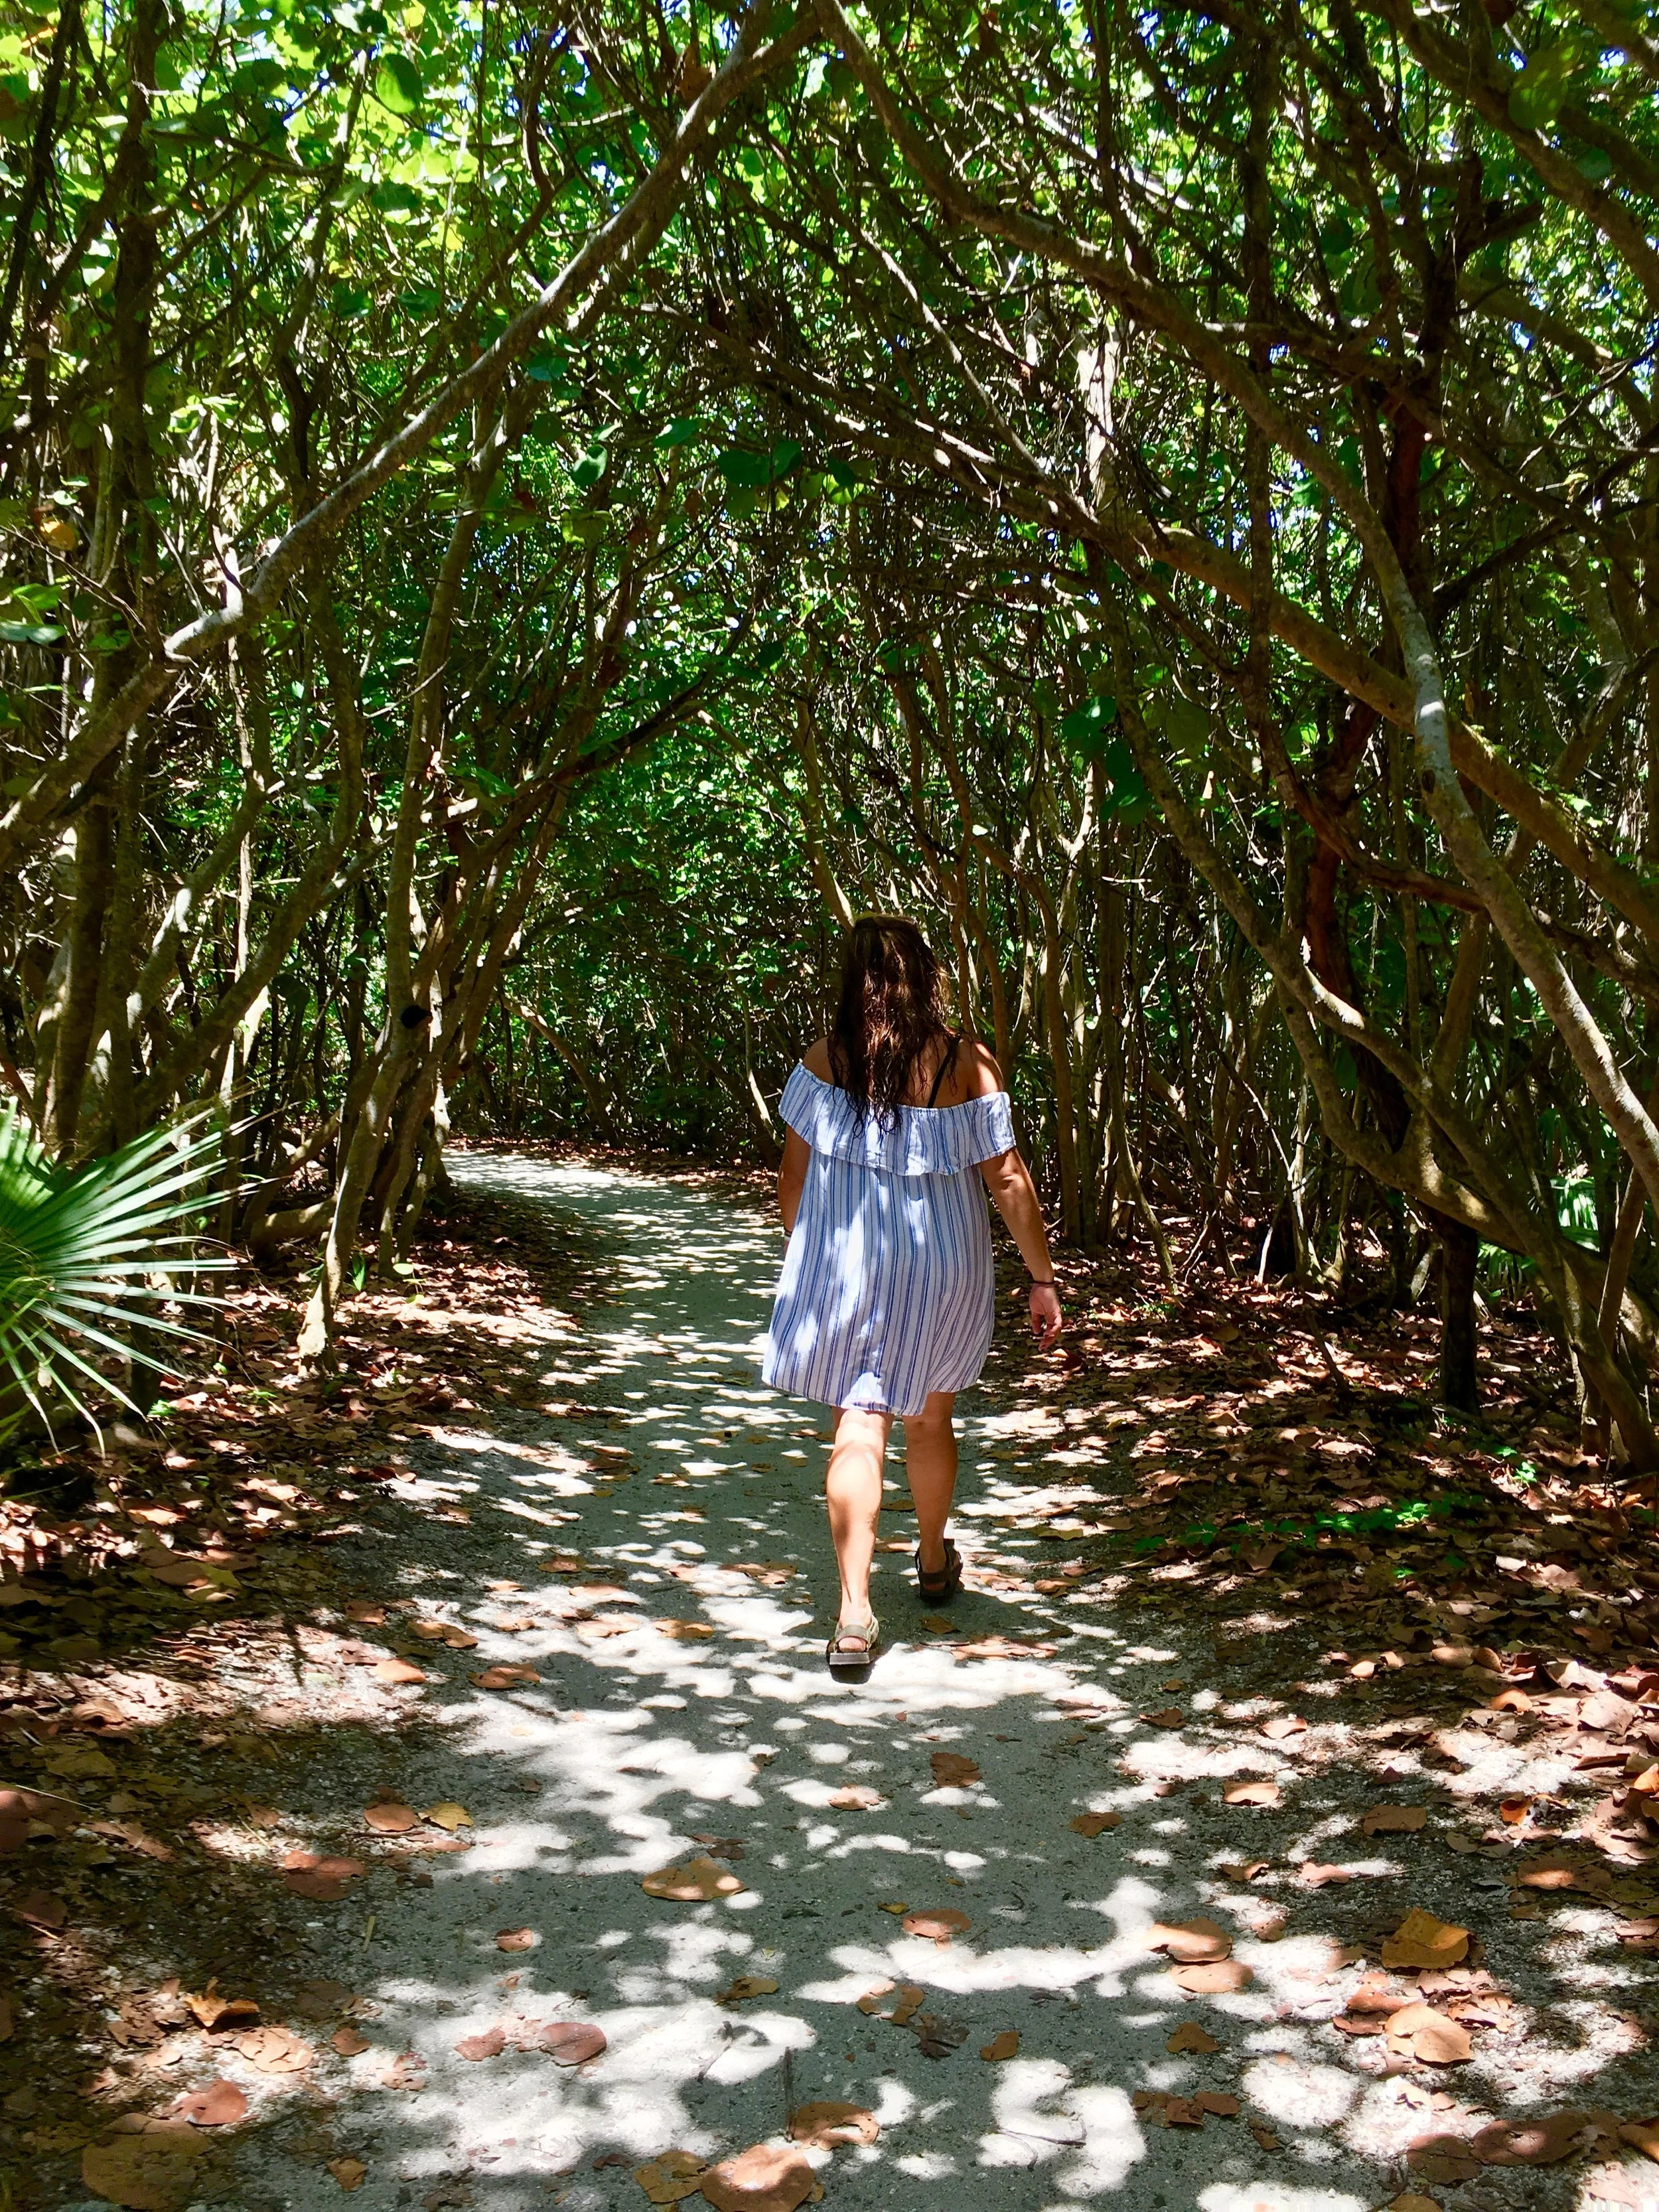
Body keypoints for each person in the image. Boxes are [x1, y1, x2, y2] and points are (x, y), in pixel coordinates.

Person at [762, 915, 1064, 1672]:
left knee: (859, 1426)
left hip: (846, 1261)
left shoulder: (823, 1061)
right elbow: (1006, 1178)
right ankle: (932, 1559)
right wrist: (1041, 1277)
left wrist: (807, 1251)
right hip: (941, 1261)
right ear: (925, 976)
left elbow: (793, 1181)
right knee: (929, 1419)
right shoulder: (967, 1063)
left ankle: (854, 1614)